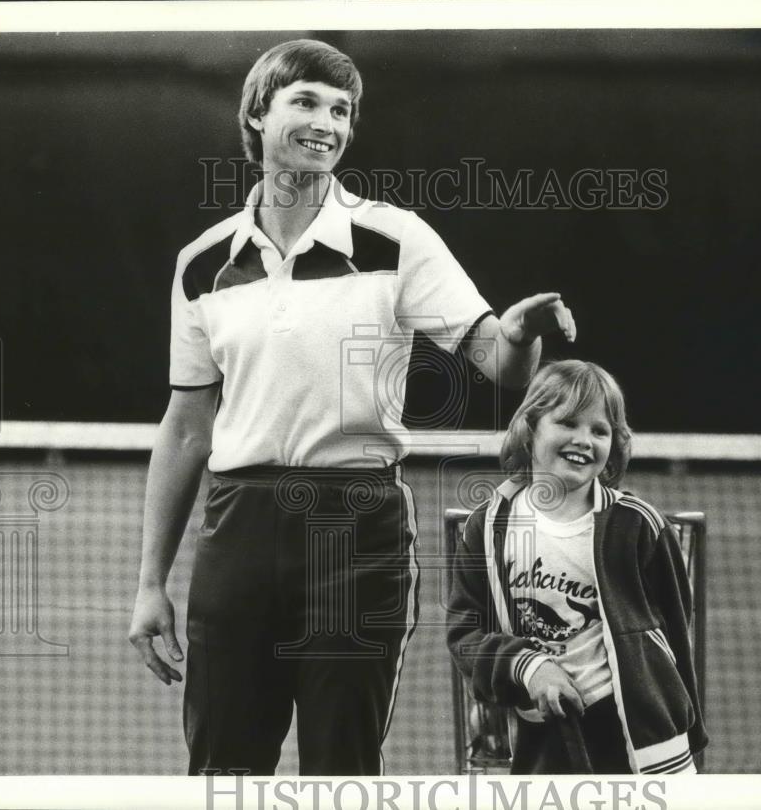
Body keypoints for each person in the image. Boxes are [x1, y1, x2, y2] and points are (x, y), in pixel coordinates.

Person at [128, 38, 577, 776]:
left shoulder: (395, 238)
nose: (327, 123)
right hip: (236, 527)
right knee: (220, 770)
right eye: (305, 102)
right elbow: (185, 429)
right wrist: (150, 583)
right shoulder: (203, 263)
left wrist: (522, 335)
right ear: (256, 113)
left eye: (341, 110)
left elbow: (497, 361)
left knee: (341, 769)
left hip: (356, 526)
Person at [446, 360, 708, 774]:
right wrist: (528, 668)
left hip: (631, 741)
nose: (584, 440)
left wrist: (678, 730)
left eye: (599, 430)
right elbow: (465, 635)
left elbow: (676, 635)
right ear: (530, 428)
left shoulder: (639, 526)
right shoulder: (488, 526)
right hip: (536, 734)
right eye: (568, 423)